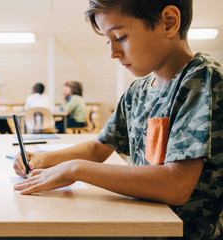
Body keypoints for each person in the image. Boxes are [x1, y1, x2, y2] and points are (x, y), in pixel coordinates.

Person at [13, 0, 223, 239]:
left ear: (169, 22)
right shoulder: (137, 91)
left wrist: (75, 169)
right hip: (142, 223)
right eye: (108, 40)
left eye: (121, 37)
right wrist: (44, 159)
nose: (113, 53)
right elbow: (98, 148)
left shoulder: (201, 80)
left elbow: (176, 185)